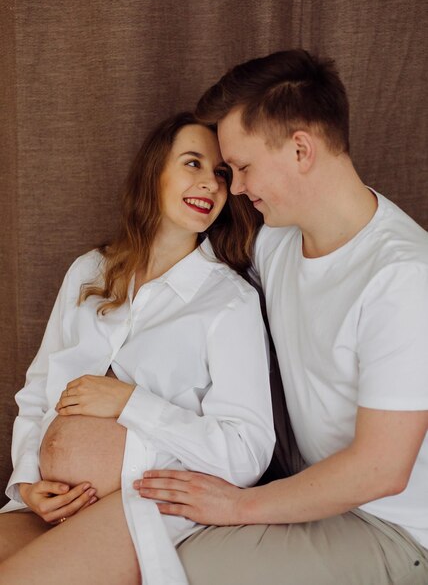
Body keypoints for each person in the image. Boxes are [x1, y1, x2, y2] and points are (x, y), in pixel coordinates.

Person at [134, 51, 428, 585]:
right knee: (139, 543)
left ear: (300, 149)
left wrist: (240, 507)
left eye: (242, 167)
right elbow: (186, 294)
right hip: (312, 494)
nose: (237, 188)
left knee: (172, 571)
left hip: (398, 528)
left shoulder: (405, 277)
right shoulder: (277, 240)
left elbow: (383, 469)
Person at [0, 112, 275, 585]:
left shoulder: (230, 301)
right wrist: (27, 481)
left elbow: (246, 452)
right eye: (193, 164)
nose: (210, 183)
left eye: (222, 174)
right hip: (46, 501)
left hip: (140, 500)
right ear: (155, 172)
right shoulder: (88, 271)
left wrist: (129, 402)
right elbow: (38, 390)